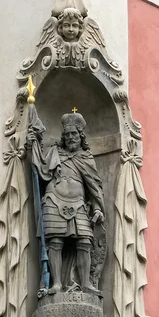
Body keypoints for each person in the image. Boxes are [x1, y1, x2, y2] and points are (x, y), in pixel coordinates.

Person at [29, 111, 105, 294]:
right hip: (54, 200)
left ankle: (86, 283)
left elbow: (94, 186)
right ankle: (56, 284)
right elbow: (40, 166)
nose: (71, 137)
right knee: (55, 242)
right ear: (64, 136)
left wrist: (97, 208)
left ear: (81, 136)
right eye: (68, 134)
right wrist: (33, 144)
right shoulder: (55, 152)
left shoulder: (86, 158)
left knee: (85, 242)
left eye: (74, 134)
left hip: (78, 203)